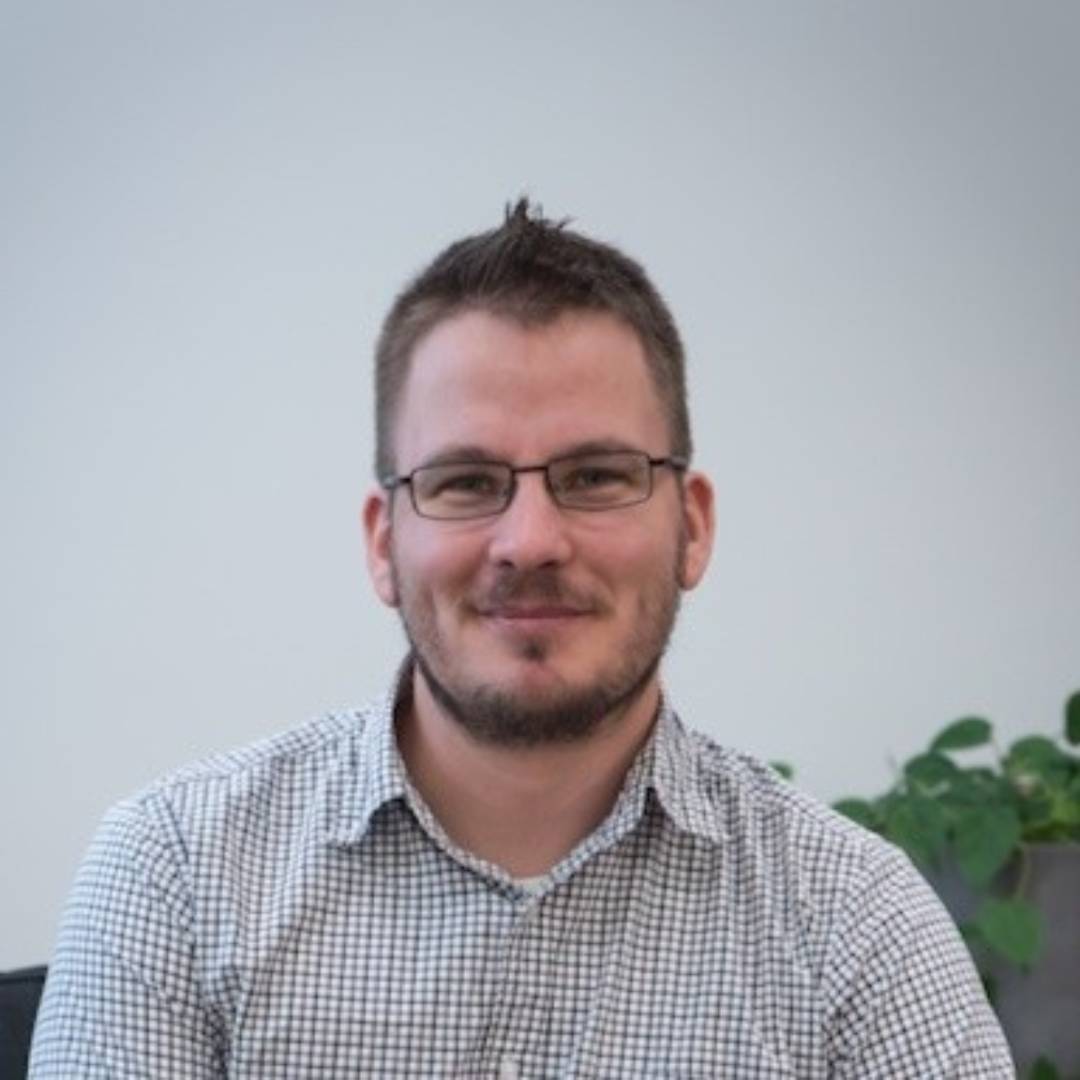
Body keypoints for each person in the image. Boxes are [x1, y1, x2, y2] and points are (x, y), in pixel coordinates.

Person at [29, 200, 1014, 1078]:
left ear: (694, 525)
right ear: (385, 543)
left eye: (596, 476)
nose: (532, 541)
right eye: (465, 482)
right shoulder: (177, 876)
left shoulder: (859, 923)